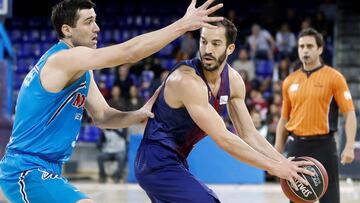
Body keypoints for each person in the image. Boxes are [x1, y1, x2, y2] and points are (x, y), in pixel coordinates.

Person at [0, 0, 224, 202]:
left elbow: (103, 117)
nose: (96, 28)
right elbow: (129, 53)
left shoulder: (81, 71)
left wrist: (138, 114)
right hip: (25, 170)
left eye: (95, 21)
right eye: (88, 22)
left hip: (45, 170)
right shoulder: (64, 58)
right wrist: (182, 25)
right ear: (67, 30)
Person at [135, 18, 314, 203]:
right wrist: (273, 167)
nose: (208, 49)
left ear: (230, 49)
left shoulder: (234, 81)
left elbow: (249, 133)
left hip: (177, 161)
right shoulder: (186, 80)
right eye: (203, 41)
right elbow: (224, 139)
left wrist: (283, 163)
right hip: (155, 161)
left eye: (216, 43)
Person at [275, 28, 357, 203]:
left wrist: (349, 145)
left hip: (324, 146)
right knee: (297, 198)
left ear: (319, 49)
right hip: (296, 146)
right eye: (301, 46)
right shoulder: (289, 81)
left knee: (330, 199)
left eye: (310, 46)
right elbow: (284, 119)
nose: (305, 50)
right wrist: (276, 151)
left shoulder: (335, 78)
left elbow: (349, 114)